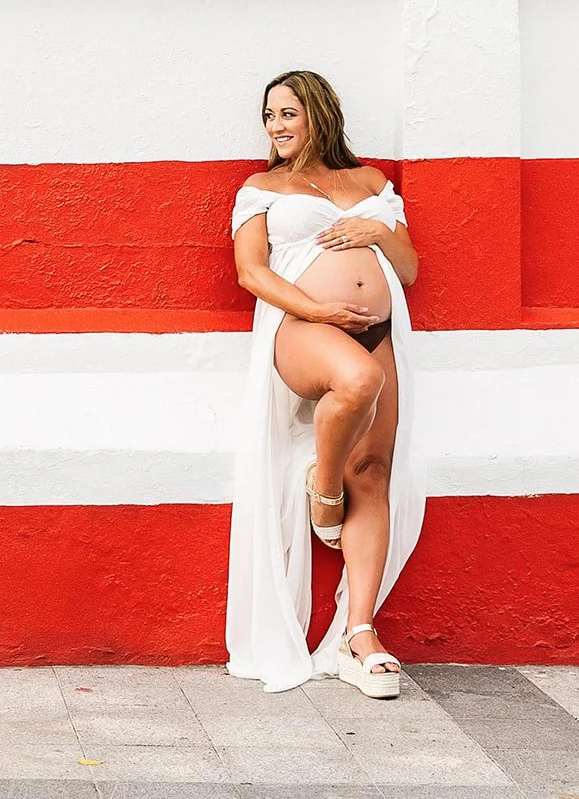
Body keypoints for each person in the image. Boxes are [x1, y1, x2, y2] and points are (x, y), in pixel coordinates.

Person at [224, 70, 424, 698]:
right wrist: (319, 310)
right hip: (305, 328)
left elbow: (408, 270)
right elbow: (251, 272)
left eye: (288, 113)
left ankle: (359, 636)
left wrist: (378, 232)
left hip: (379, 331)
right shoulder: (262, 188)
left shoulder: (371, 184)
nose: (275, 126)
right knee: (358, 379)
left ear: (319, 113)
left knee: (374, 472)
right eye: (269, 116)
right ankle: (324, 490)